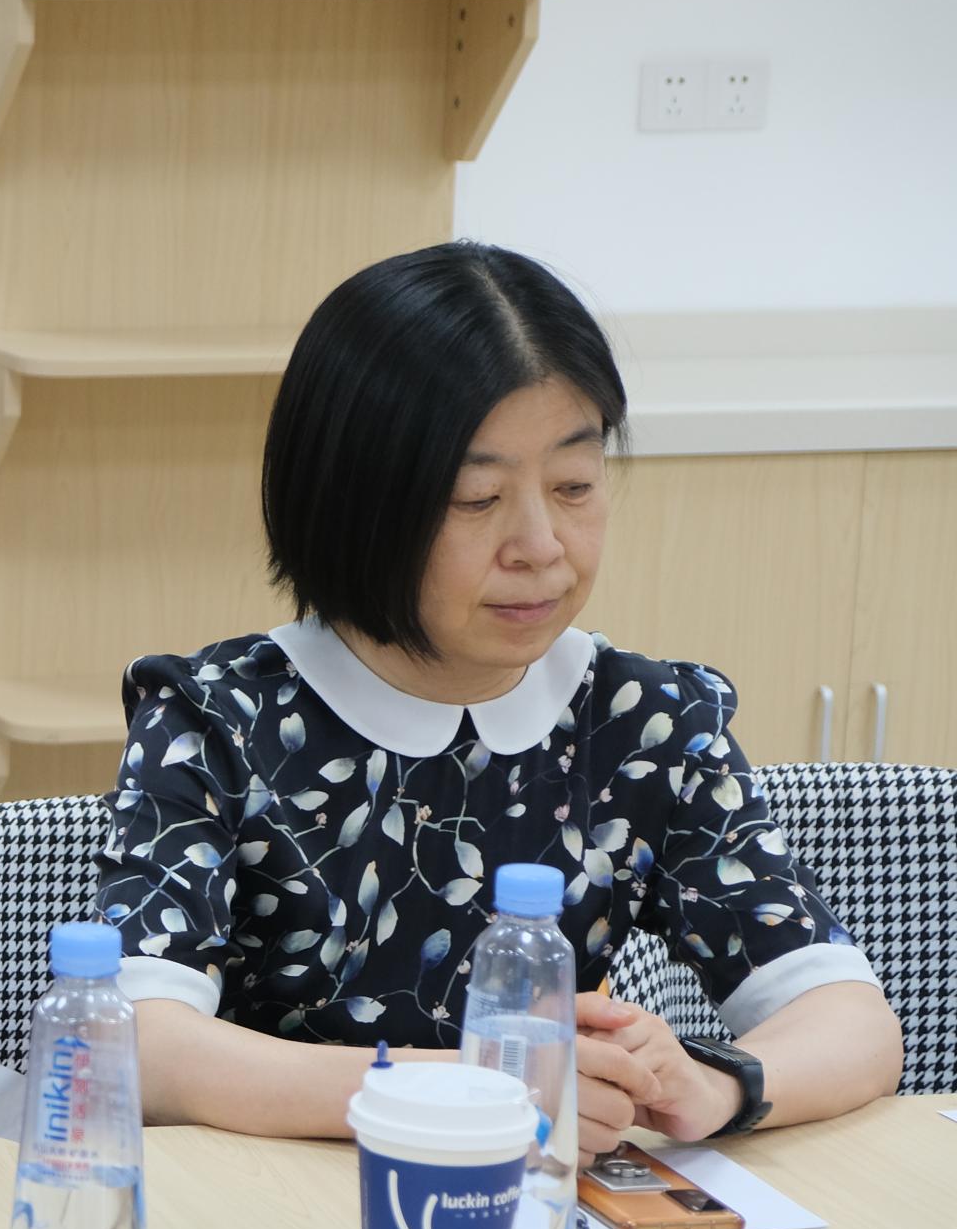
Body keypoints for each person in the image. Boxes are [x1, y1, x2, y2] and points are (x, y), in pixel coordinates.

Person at [95, 241, 901, 1152]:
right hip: (276, 1200)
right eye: (476, 499)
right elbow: (140, 1045)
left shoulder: (642, 722)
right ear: (351, 502)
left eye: (574, 486)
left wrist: (715, 1083)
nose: (541, 545)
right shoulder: (218, 720)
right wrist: (477, 1088)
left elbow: (849, 1021)